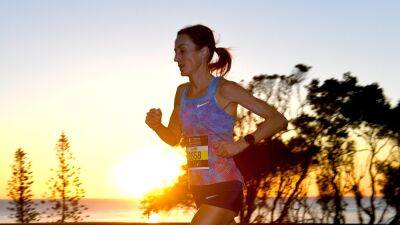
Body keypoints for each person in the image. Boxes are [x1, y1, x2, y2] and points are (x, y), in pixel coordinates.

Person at [145, 24, 288, 225]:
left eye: (182, 51)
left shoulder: (225, 89)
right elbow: (174, 138)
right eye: (175, 52)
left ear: (204, 52)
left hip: (225, 185)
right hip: (198, 188)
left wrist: (240, 144)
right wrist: (157, 126)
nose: (176, 58)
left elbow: (278, 119)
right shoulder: (181, 93)